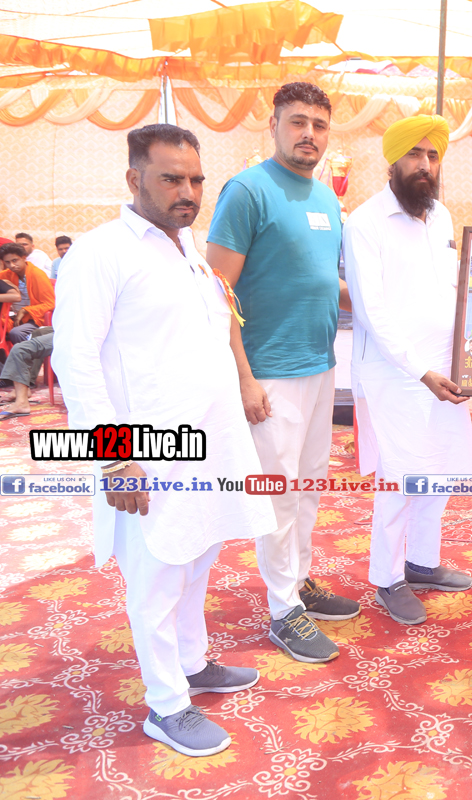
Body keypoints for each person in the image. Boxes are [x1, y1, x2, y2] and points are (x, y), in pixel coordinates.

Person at [52, 123, 275, 758]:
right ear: (134, 179)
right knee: (155, 576)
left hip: (212, 442)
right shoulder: (102, 252)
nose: (189, 192)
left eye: (197, 179)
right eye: (172, 179)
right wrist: (112, 459)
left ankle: (193, 663)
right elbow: (76, 360)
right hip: (146, 452)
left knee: (197, 554)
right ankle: (166, 704)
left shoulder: (190, 250)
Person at [206, 82, 357, 665]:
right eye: (297, 122)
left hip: (320, 365)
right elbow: (217, 294)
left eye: (319, 124)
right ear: (273, 125)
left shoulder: (326, 199)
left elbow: (321, 280)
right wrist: (243, 378)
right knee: (278, 494)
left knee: (309, 485)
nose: (308, 134)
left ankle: (299, 580)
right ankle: (282, 609)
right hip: (269, 372)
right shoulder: (248, 191)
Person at [343, 115, 472, 626]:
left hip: (444, 368)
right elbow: (372, 311)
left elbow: (452, 288)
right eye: (415, 154)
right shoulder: (365, 223)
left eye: (433, 155)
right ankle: (387, 577)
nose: (425, 164)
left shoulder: (440, 216)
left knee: (436, 472)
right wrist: (421, 371)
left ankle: (422, 562)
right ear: (393, 161)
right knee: (400, 477)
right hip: (396, 375)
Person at [0, 242, 55, 343]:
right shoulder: (6, 274)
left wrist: (24, 310)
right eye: (7, 262)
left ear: (24, 258)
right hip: (14, 317)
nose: (12, 265)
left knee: (16, 333)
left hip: (35, 318)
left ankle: (26, 353)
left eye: (14, 260)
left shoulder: (37, 275)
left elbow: (50, 303)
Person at [0, 329, 51, 421]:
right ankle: (23, 388)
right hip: (62, 329)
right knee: (38, 332)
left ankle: (22, 402)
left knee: (20, 349)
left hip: (74, 332)